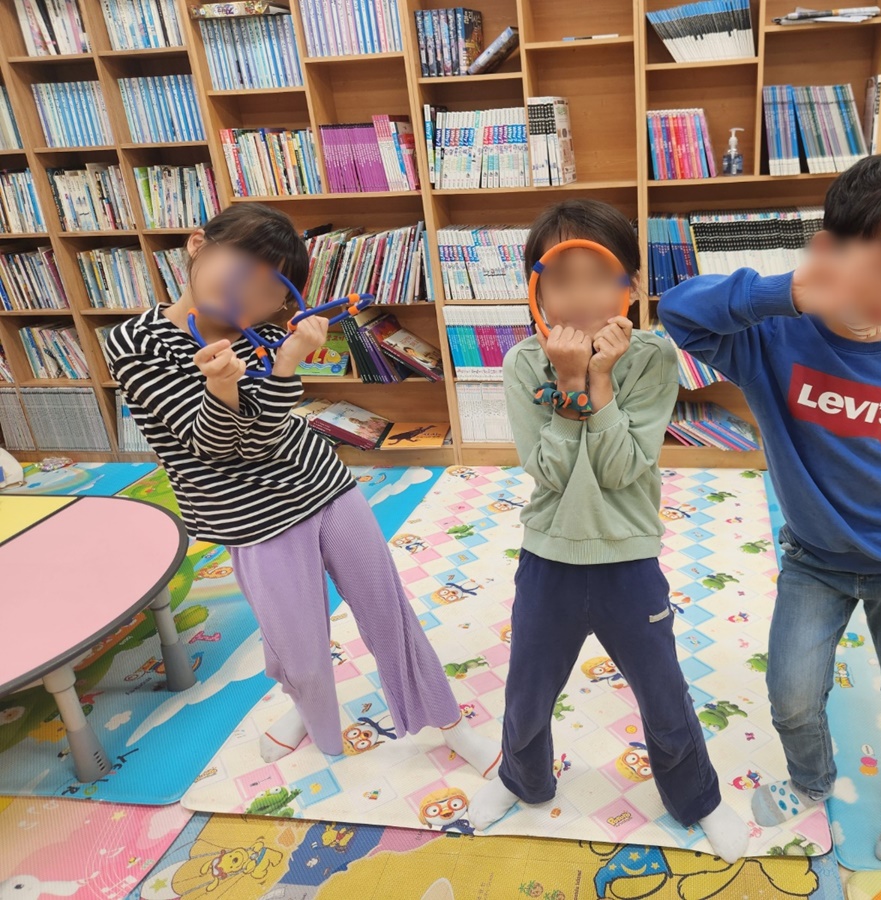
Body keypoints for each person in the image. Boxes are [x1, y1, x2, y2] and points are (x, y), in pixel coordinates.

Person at [658, 154, 881, 867]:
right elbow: (678, 314)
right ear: (828, 250)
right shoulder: (773, 337)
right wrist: (783, 291)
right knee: (791, 693)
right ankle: (811, 779)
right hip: (814, 561)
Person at [104, 203, 499, 776]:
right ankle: (304, 708)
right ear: (197, 244)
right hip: (249, 517)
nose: (249, 295)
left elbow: (264, 435)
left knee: (388, 614)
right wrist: (222, 389)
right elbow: (213, 447)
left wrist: (285, 363)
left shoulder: (266, 336)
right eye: (243, 267)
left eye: (272, 290)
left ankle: (449, 724)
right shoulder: (135, 341)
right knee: (299, 650)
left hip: (321, 483)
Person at [468, 199, 748, 863]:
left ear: (630, 283)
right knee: (527, 693)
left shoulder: (651, 357)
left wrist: (597, 382)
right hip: (549, 558)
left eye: (599, 275)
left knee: (663, 693)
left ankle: (697, 797)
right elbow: (548, 472)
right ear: (537, 288)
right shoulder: (524, 363)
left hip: (628, 559)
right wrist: (568, 382)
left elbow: (623, 469)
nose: (581, 296)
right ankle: (521, 779)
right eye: (561, 278)